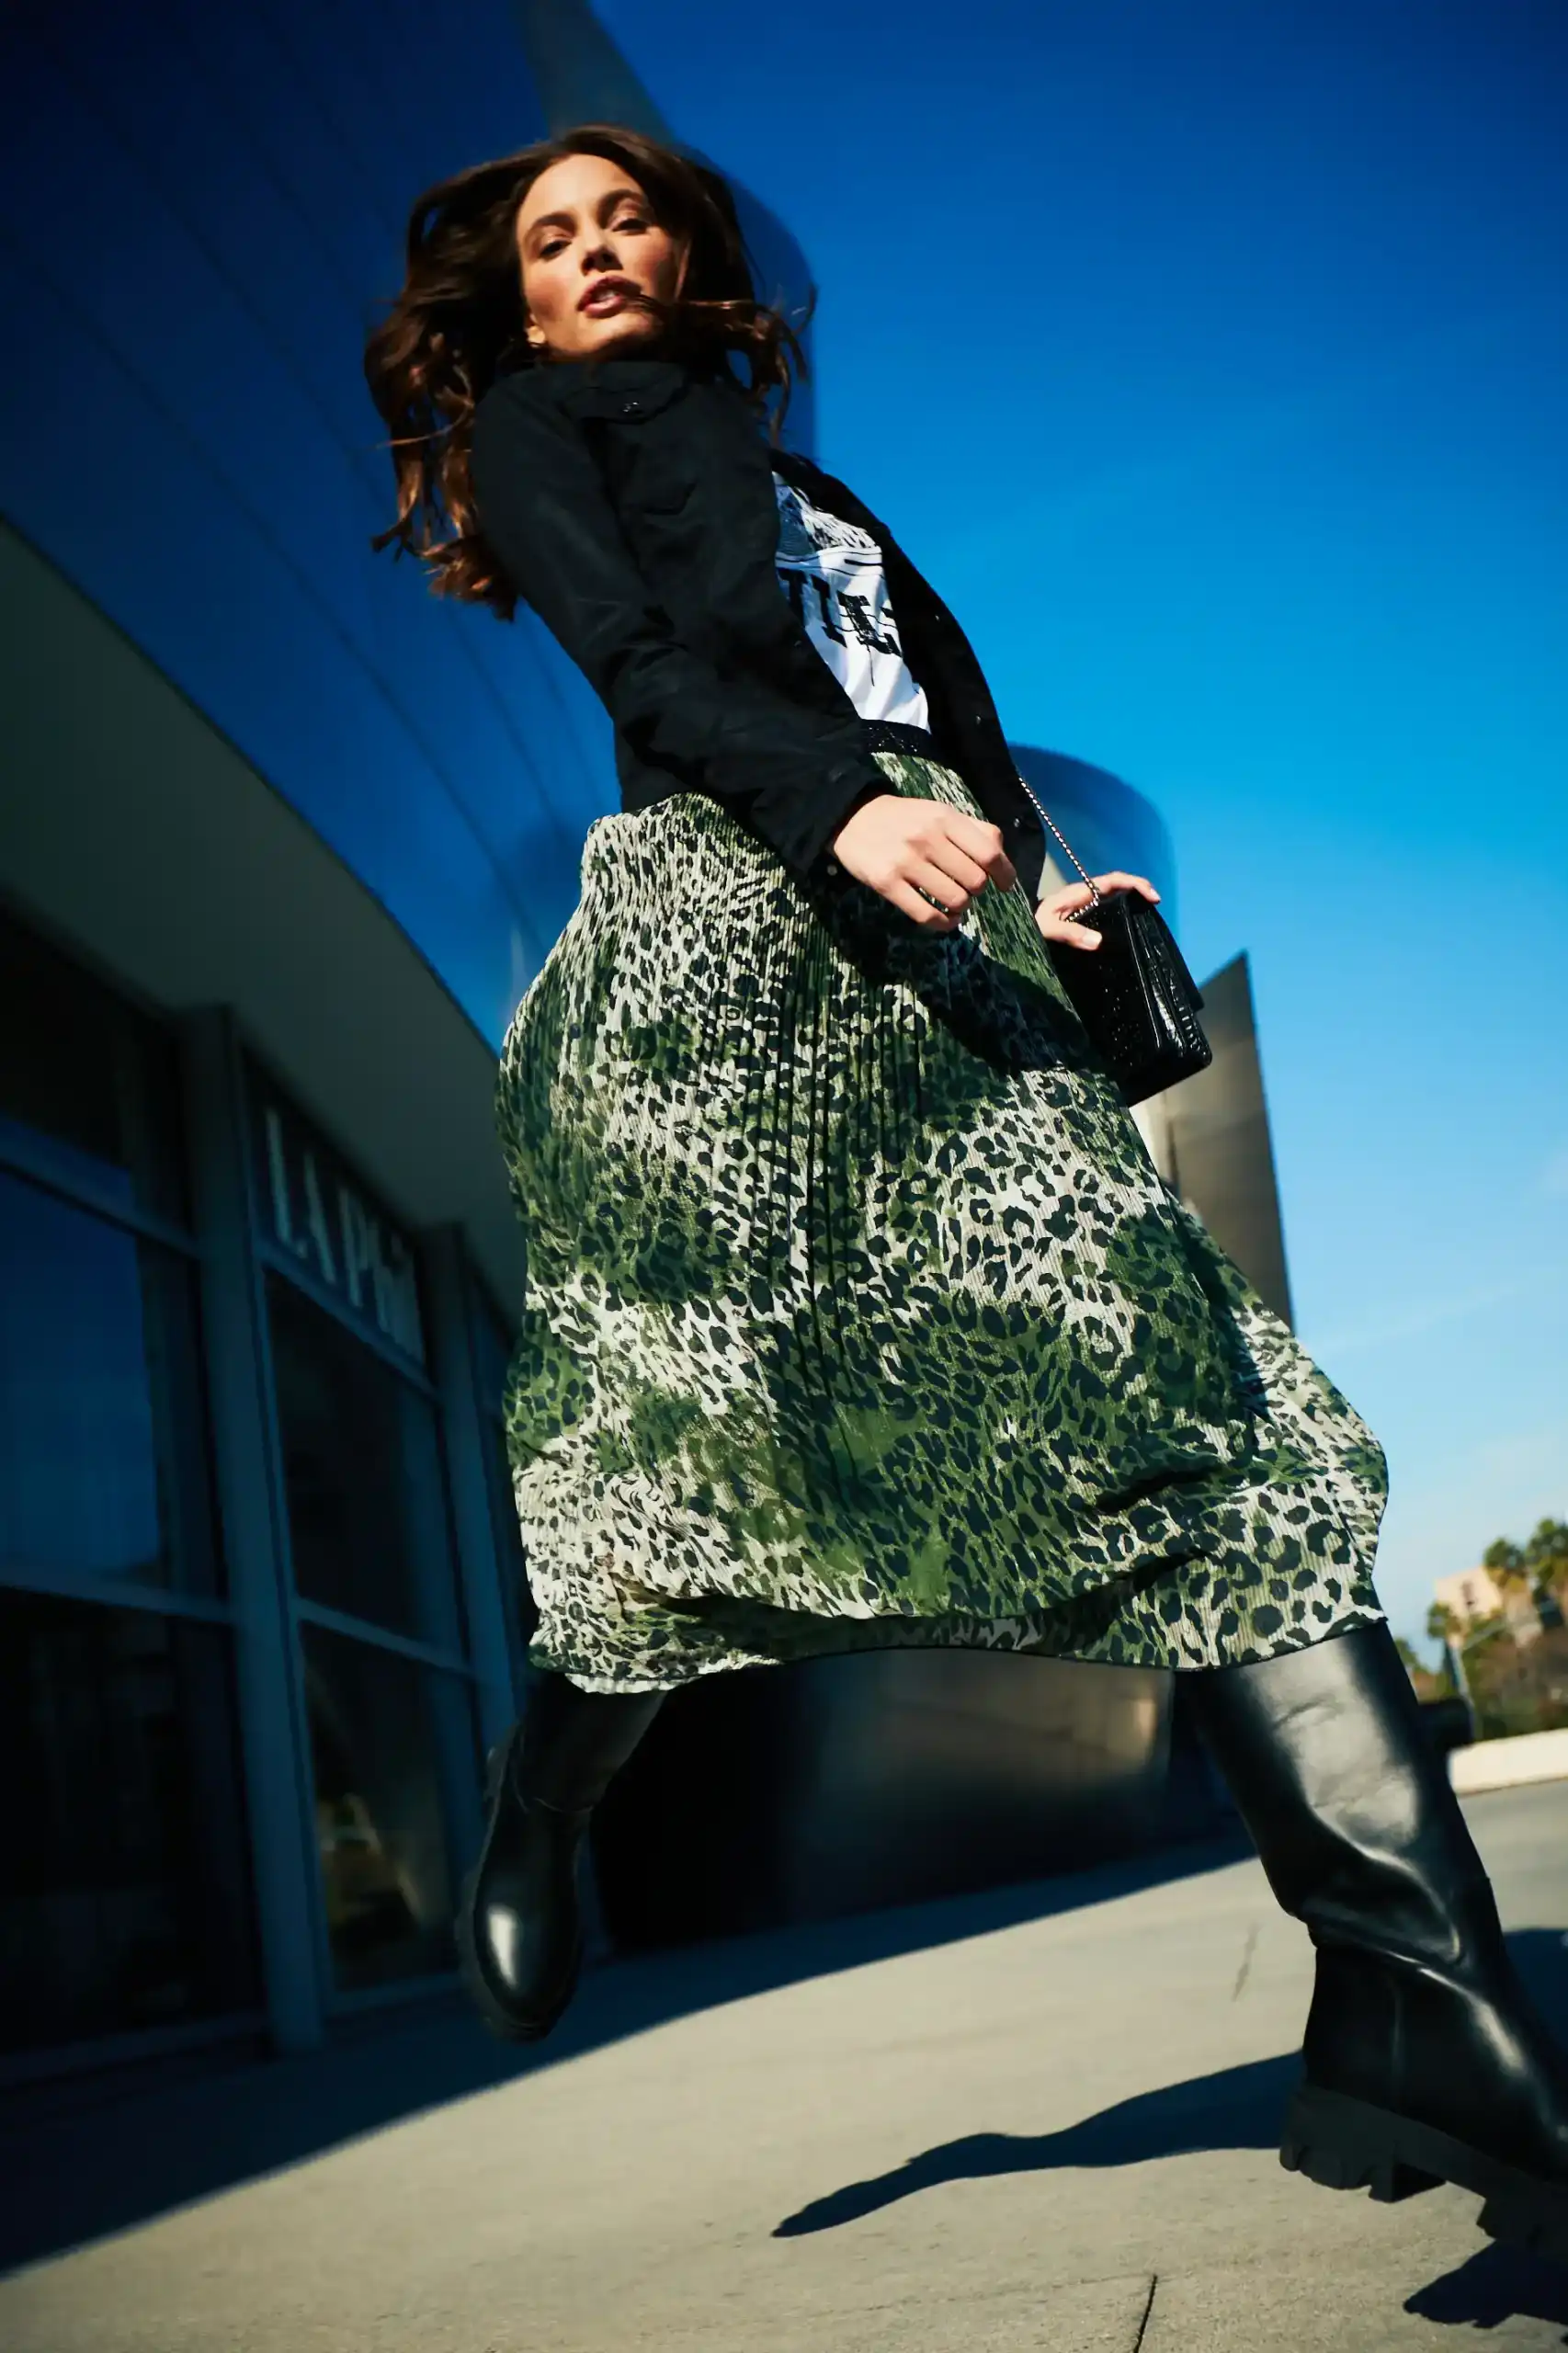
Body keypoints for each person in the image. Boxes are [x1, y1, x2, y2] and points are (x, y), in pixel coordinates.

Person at [366, 124, 1566, 2258]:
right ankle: (540, 1797)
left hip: (941, 939)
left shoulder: (809, 481)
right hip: (726, 957)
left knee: (1201, 1415)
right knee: (684, 1468)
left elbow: (934, 708)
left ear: (686, 250)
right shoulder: (543, 435)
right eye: (554, 238)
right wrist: (842, 812)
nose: (598, 251)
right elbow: (642, 671)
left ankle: (1418, 1989)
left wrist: (1043, 866)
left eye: (628, 216)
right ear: (517, 301)